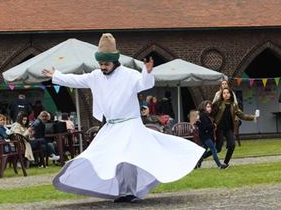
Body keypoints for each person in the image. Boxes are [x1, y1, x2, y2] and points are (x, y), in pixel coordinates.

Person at [43, 33, 204, 203]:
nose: (103, 67)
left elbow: (144, 84)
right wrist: (56, 76)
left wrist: (147, 73)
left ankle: (130, 192)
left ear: (115, 61)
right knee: (108, 157)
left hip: (130, 125)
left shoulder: (129, 75)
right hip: (111, 127)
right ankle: (122, 192)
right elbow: (76, 80)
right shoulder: (96, 76)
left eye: (106, 63)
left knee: (129, 158)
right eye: (101, 64)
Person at [212, 88, 257, 169]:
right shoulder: (218, 104)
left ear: (230, 94)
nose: (226, 94)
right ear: (222, 95)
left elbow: (242, 115)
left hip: (229, 129)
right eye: (224, 93)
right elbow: (211, 113)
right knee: (218, 148)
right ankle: (203, 156)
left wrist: (253, 117)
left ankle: (225, 163)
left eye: (227, 93)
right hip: (219, 128)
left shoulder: (234, 105)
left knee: (232, 145)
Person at [195, 101, 222, 169]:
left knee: (204, 151)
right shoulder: (203, 116)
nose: (210, 108)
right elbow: (205, 127)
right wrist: (213, 125)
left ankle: (197, 163)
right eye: (208, 107)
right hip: (205, 136)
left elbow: (201, 125)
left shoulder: (205, 115)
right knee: (213, 149)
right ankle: (219, 165)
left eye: (210, 107)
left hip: (207, 136)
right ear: (203, 108)